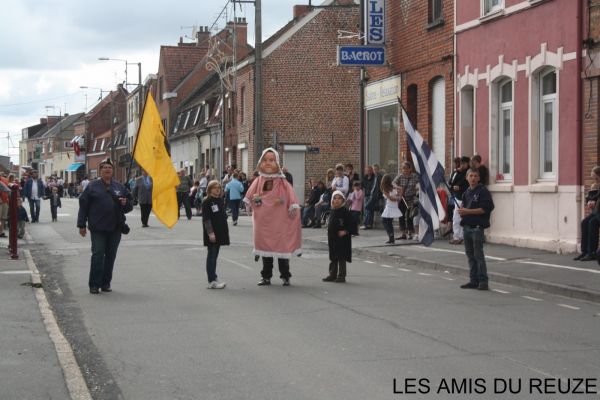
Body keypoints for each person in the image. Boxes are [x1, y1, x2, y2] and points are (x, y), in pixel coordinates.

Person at [243, 148, 302, 286]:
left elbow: (291, 196)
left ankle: (285, 276)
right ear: (260, 163)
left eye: (271, 160)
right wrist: (251, 201)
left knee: (282, 249)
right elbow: (249, 195)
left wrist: (292, 206)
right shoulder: (259, 180)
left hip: (280, 221)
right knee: (265, 251)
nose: (268, 163)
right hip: (263, 222)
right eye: (265, 160)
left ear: (277, 163)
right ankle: (266, 276)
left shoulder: (282, 182)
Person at [77, 159, 133, 294]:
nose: (107, 169)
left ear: (112, 170)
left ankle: (105, 283)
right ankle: (94, 284)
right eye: (104, 167)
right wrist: (81, 225)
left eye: (109, 167)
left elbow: (129, 206)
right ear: (100, 171)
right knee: (98, 254)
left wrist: (125, 203)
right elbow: (83, 206)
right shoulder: (92, 186)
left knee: (110, 256)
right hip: (98, 227)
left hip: (115, 227)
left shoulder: (119, 187)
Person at [458, 168, 495, 291]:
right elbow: (464, 209)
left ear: (478, 178)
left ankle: (483, 281)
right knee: (470, 255)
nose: (473, 178)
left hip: (477, 228)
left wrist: (467, 211)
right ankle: (473, 280)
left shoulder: (483, 191)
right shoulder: (466, 193)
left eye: (475, 176)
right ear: (466, 178)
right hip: (467, 227)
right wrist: (462, 212)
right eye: (470, 176)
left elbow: (485, 209)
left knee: (478, 255)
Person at [323, 190, 357, 283]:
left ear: (343, 200)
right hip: (333, 238)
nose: (337, 200)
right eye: (335, 198)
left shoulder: (345, 212)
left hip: (342, 239)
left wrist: (345, 231)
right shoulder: (332, 211)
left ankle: (341, 276)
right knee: (333, 257)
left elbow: (352, 224)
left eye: (339, 198)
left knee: (341, 257)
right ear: (332, 200)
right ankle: (332, 274)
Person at [202, 180, 229, 289]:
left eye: (219, 187)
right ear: (210, 189)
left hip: (220, 231)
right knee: (212, 256)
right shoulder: (207, 201)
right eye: (215, 187)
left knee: (215, 255)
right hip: (212, 232)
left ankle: (214, 276)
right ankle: (211, 280)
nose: (217, 189)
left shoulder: (219, 199)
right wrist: (210, 233)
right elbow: (206, 219)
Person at [574, 166, 600, 261]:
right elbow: (594, 197)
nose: (594, 180)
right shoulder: (596, 185)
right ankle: (584, 251)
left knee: (592, 222)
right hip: (597, 211)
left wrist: (593, 200)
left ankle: (591, 252)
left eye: (595, 177)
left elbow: (597, 196)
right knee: (584, 222)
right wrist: (590, 201)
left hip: (598, 212)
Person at [393, 161, 418, 240]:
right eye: (403, 168)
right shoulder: (400, 176)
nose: (404, 170)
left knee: (410, 216)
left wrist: (417, 187)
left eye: (406, 168)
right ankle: (403, 233)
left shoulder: (414, 176)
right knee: (401, 215)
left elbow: (419, 184)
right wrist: (398, 187)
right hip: (402, 198)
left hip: (411, 199)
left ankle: (410, 233)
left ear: (410, 169)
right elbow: (393, 183)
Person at [449, 156, 471, 244]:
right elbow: (451, 182)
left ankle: (461, 236)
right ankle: (457, 236)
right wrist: (456, 172)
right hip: (458, 197)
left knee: (462, 217)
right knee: (456, 217)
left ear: (467, 163)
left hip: (466, 197)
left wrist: (460, 187)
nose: (462, 165)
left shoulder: (469, 172)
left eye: (464, 164)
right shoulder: (457, 172)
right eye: (461, 163)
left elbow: (468, 184)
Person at [380, 173, 402, 244]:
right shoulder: (393, 187)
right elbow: (400, 189)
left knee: (385, 221)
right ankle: (391, 237)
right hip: (394, 206)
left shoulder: (385, 189)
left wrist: (398, 198)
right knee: (389, 222)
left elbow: (391, 198)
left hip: (389, 206)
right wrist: (399, 197)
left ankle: (391, 236)